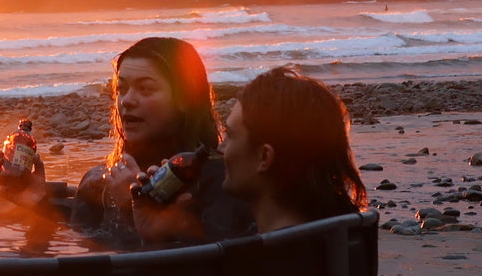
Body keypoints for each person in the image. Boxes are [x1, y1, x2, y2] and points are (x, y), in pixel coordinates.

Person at [72, 37, 252, 244]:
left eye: (145, 88)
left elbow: (211, 269)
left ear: (185, 99)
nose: (127, 100)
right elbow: (73, 260)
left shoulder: (223, 182)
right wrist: (35, 202)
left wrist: (131, 209)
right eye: (121, 89)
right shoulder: (97, 184)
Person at [220, 67, 367, 230]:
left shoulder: (265, 254)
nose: (221, 147)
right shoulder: (339, 237)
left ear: (264, 157)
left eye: (230, 135)